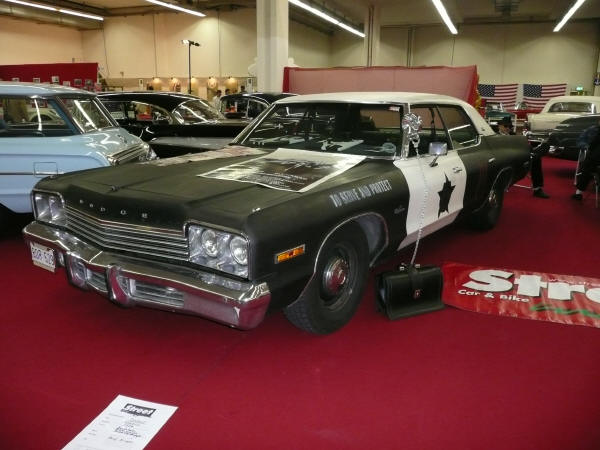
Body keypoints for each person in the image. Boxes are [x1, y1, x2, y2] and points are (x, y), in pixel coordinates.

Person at [497, 116, 550, 198]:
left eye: (510, 127)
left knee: (536, 159)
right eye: (506, 126)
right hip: (504, 159)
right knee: (534, 156)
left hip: (518, 157)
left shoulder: (514, 135)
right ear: (499, 126)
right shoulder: (494, 136)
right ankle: (537, 152)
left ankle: (537, 189)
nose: (508, 128)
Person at [572, 122, 600, 200]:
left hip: (593, 159)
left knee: (588, 165)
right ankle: (579, 192)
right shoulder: (592, 130)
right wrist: (586, 147)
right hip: (593, 157)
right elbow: (581, 141)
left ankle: (579, 192)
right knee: (588, 165)